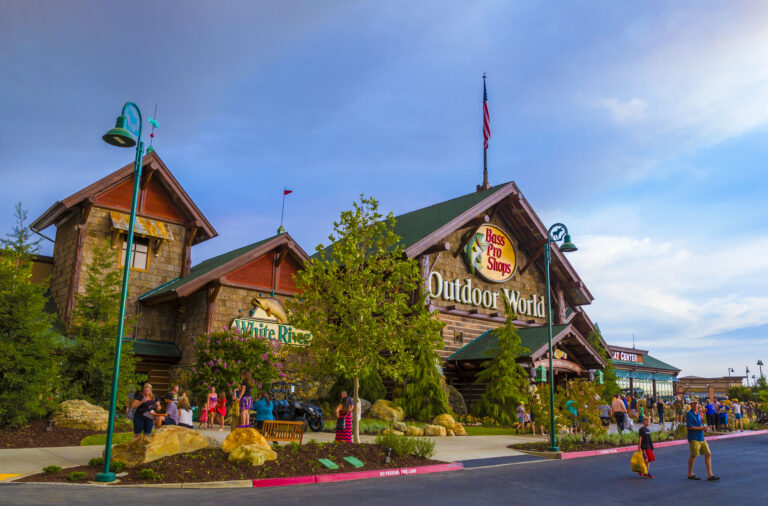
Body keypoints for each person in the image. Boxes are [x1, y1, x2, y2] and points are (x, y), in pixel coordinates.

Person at [686, 399, 719, 481]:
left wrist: (704, 429)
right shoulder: (689, 414)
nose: (695, 405)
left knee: (708, 453)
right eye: (694, 404)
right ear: (691, 405)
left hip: (701, 437)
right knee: (693, 455)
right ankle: (690, 473)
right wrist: (701, 428)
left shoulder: (698, 413)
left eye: (696, 404)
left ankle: (710, 474)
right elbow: (690, 427)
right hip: (694, 438)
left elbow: (700, 425)